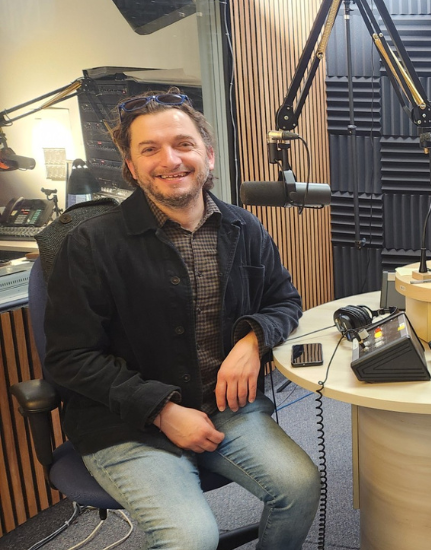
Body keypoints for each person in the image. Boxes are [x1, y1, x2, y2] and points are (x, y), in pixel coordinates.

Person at [44, 89, 319, 549]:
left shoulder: (243, 227)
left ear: (208, 156)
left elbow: (284, 302)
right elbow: (70, 357)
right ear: (130, 167)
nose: (170, 160)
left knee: (300, 487)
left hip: (225, 407)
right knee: (192, 537)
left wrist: (252, 340)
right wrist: (162, 409)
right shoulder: (91, 245)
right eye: (150, 149)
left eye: (183, 144)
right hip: (127, 423)